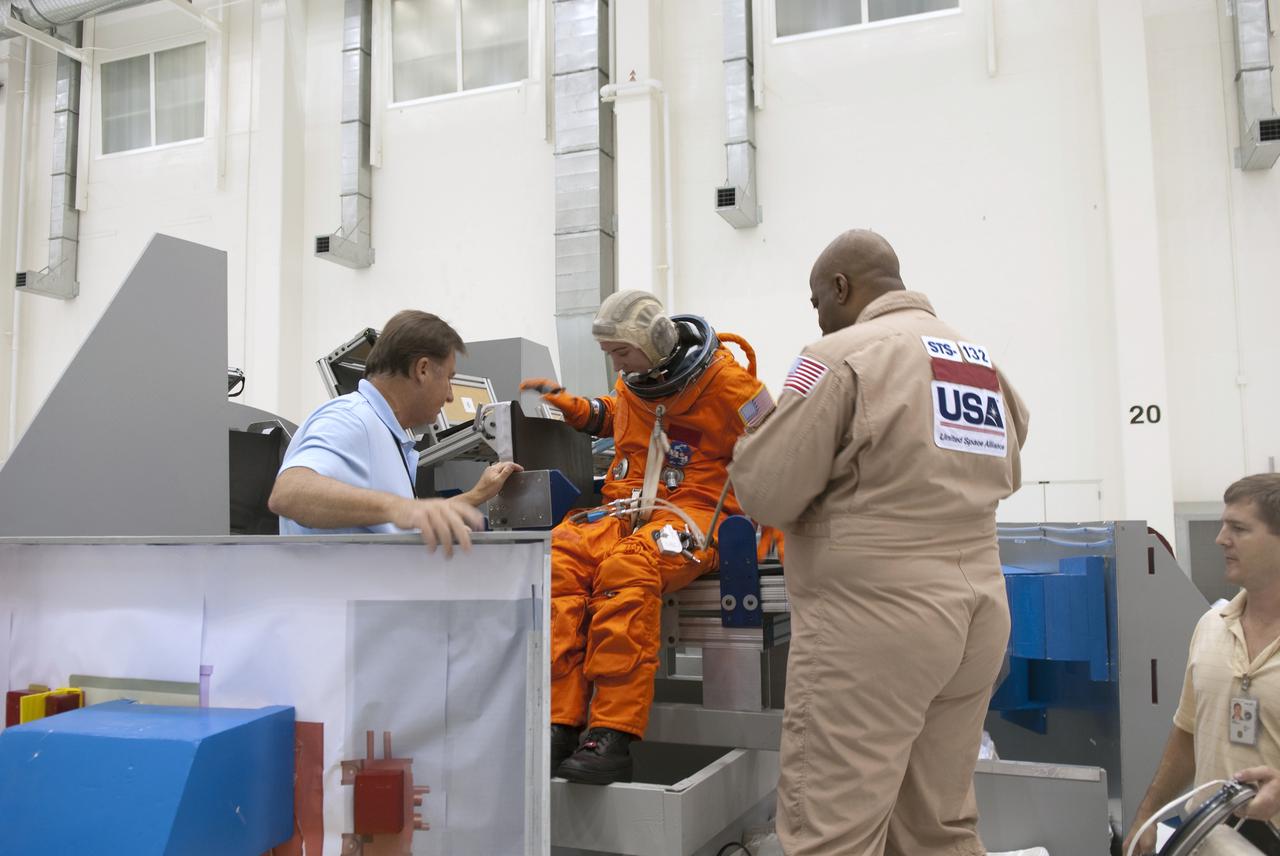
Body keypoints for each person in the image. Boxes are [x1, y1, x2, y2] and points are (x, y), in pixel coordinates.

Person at [728, 229, 1030, 855]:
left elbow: (768, 490)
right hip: (978, 614)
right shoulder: (977, 361)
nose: (818, 314)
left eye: (818, 300)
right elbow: (1011, 461)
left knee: (832, 832)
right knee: (936, 825)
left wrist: (752, 445)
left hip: (873, 625)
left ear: (841, 287)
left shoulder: (839, 354)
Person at [520, 290, 774, 785]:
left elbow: (782, 446)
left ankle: (612, 733)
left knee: (629, 567)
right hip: (630, 507)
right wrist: (574, 407)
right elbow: (618, 414)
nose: (612, 360)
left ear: (653, 344)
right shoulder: (638, 383)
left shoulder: (730, 386)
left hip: (698, 514)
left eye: (619, 351)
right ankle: (559, 719)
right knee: (561, 555)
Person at [269, 310, 520, 554]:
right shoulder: (351, 418)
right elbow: (289, 494)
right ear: (422, 369)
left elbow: (403, 523)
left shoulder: (385, 432)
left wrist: (477, 495)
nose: (450, 395)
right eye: (449, 378)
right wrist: (400, 508)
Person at [1124, 474, 1280, 855]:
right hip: (1209, 838)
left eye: (1239, 528)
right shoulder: (1211, 626)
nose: (1220, 538)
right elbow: (1187, 732)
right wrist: (1149, 813)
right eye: (1224, 524)